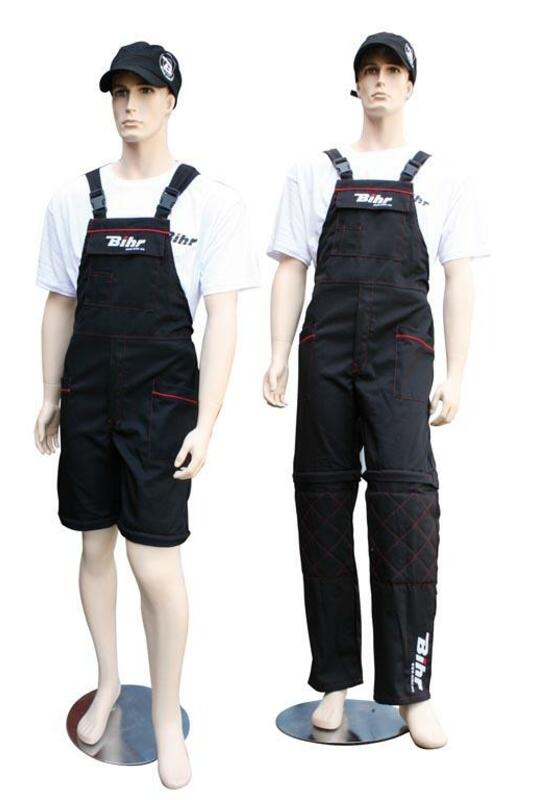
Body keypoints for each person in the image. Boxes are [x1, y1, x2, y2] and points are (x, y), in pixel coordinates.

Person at [34, 40, 259, 787]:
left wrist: (209, 419)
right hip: (87, 400)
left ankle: (164, 714)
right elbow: (60, 302)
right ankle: (106, 682)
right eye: (118, 92)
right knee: (94, 549)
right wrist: (48, 393)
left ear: (171, 100)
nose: (129, 105)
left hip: (162, 407)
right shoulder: (74, 199)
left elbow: (222, 318)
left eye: (144, 92)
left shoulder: (209, 202)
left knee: (153, 563)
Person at [264, 31, 489, 749]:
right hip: (325, 352)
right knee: (322, 506)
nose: (381, 81)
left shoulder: (441, 177)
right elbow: (291, 266)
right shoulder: (313, 170)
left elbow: (459, 276)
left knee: (405, 514)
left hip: (401, 357)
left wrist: (457, 372)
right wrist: (277, 353)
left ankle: (410, 689)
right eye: (369, 71)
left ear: (410, 84)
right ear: (355, 84)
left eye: (393, 70)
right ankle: (334, 679)